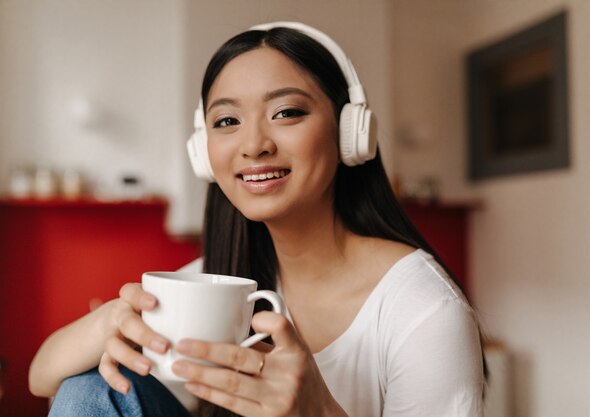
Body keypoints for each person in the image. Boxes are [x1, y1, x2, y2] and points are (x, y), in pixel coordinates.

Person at [29, 22, 485, 417]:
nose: (253, 145)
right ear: (203, 153)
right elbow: (41, 378)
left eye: (286, 112)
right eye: (227, 121)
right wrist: (109, 323)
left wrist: (318, 412)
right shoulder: (215, 285)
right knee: (89, 387)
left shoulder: (424, 309)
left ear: (350, 133)